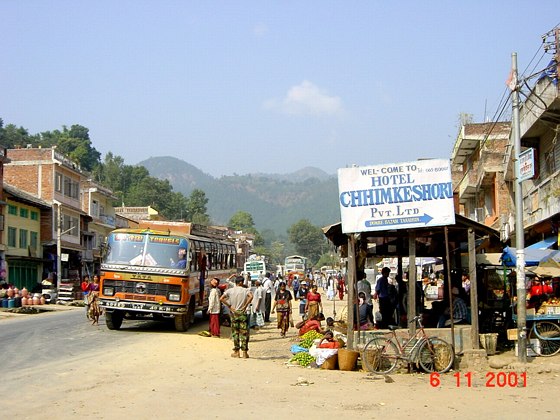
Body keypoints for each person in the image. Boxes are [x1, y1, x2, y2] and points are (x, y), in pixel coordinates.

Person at [220, 276, 253, 358]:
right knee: (244, 333)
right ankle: (245, 352)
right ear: (241, 282)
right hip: (242, 313)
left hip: (234, 313)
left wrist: (229, 306)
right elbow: (251, 296)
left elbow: (221, 298)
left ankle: (236, 352)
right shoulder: (245, 290)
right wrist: (245, 305)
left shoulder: (230, 290)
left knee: (235, 333)